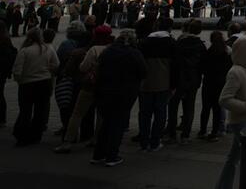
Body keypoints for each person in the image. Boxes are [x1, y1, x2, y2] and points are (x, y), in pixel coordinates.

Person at [215, 35, 246, 189]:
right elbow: (224, 99)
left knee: (234, 158)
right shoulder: (236, 72)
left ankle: (223, 185)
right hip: (242, 121)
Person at [92, 30, 146, 167]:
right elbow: (143, 72)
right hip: (124, 93)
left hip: (105, 92)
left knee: (106, 123)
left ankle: (98, 155)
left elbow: (98, 69)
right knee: (118, 124)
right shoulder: (134, 53)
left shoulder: (108, 51)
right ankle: (112, 155)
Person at [55, 24, 112, 153]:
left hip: (89, 86)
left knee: (77, 114)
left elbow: (83, 68)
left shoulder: (93, 49)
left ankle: (68, 142)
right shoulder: (111, 48)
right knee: (101, 115)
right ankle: (96, 139)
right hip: (105, 87)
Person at [12, 27, 60, 146]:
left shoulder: (24, 51)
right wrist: (48, 71)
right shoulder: (47, 49)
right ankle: (36, 135)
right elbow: (56, 64)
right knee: (40, 110)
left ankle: (22, 137)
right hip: (44, 82)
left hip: (27, 84)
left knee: (25, 110)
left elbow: (17, 70)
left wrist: (20, 81)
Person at [137, 16, 177, 152]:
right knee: (160, 113)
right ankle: (155, 141)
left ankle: (143, 141)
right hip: (163, 83)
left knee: (144, 113)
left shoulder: (144, 42)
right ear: (170, 28)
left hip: (145, 83)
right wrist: (174, 85)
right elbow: (175, 67)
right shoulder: (171, 43)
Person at [167, 19, 206, 144]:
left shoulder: (179, 43)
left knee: (173, 106)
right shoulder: (201, 46)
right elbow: (203, 65)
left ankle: (171, 133)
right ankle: (185, 135)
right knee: (189, 107)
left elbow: (173, 63)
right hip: (193, 79)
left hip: (178, 78)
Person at [199, 30, 231, 141]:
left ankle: (202, 131)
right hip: (220, 84)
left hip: (208, 83)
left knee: (205, 108)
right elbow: (228, 69)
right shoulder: (225, 54)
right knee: (217, 109)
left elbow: (202, 67)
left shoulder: (208, 52)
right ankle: (214, 132)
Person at [0, 27, 17, 126]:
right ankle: (2, 119)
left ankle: (2, 119)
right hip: (3, 73)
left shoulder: (3, 43)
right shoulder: (7, 41)